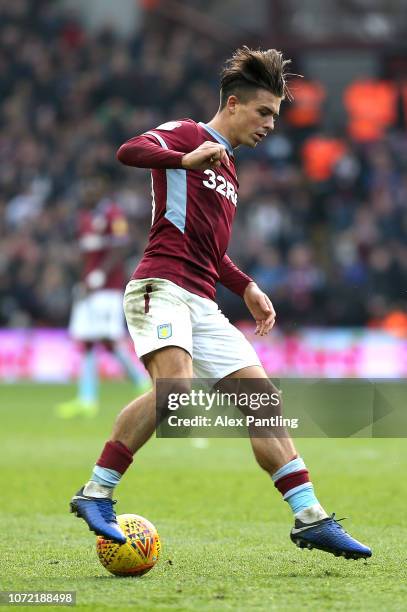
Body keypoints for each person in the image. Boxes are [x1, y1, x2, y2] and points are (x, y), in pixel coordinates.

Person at [70, 48, 371, 559]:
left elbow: (210, 249)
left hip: (203, 301)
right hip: (160, 286)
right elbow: (128, 149)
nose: (271, 124)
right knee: (175, 393)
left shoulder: (229, 170)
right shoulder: (189, 135)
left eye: (275, 115)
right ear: (233, 104)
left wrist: (247, 285)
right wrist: (182, 158)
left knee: (263, 402)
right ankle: (96, 492)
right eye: (264, 112)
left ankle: (310, 516)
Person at [57, 178, 147, 418]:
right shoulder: (84, 217)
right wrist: (82, 279)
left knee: (109, 338)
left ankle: (142, 383)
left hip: (107, 287)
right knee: (86, 341)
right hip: (87, 288)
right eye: (84, 188)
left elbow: (120, 248)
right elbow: (83, 254)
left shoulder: (113, 214)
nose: (87, 192)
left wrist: (98, 275)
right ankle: (87, 400)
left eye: (91, 187)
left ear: (102, 189)